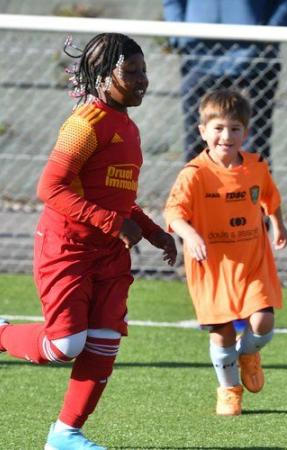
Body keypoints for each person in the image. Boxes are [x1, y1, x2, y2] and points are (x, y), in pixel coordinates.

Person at [0, 33, 177, 450]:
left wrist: (152, 232)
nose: (143, 80)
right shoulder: (84, 124)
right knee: (64, 346)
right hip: (69, 249)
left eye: (144, 71)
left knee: (104, 342)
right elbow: (50, 188)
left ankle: (65, 434)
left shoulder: (128, 127)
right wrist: (112, 222)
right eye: (130, 73)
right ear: (102, 77)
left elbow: (119, 197)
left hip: (109, 254)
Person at [164, 88, 287, 415]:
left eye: (235, 128)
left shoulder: (256, 166)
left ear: (245, 132)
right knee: (221, 333)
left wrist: (278, 224)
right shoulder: (194, 174)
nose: (226, 136)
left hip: (252, 262)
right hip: (212, 268)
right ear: (203, 131)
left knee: (262, 322)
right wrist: (190, 235)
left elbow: (270, 198)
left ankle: (249, 353)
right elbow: (173, 213)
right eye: (218, 128)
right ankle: (229, 389)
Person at [162, 0, 287, 162]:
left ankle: (251, 187)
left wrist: (268, 35)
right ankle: (200, 187)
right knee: (196, 147)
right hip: (198, 58)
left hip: (254, 64)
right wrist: (179, 36)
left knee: (254, 150)